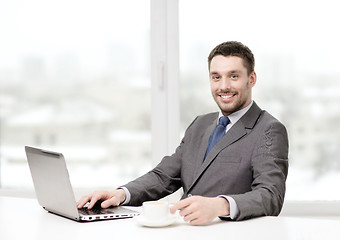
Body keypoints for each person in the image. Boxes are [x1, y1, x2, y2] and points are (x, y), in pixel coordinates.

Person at [77, 41, 289, 225]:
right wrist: (120, 194)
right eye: (216, 77)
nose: (224, 86)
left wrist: (220, 205)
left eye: (233, 76)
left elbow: (271, 195)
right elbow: (164, 176)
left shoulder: (269, 129)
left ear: (251, 79)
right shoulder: (200, 124)